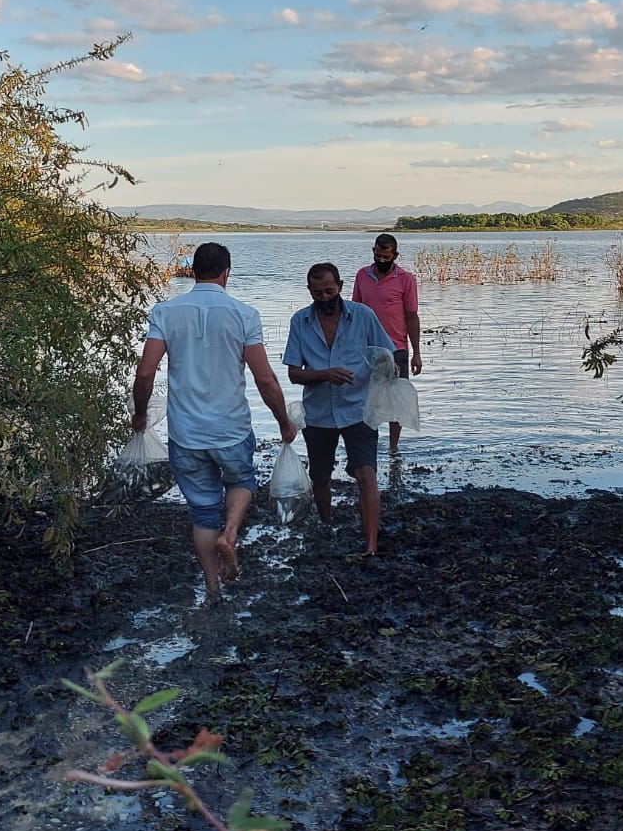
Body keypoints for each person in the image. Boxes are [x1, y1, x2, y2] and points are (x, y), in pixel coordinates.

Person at [132, 242, 297, 603]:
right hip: (231, 429)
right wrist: (283, 420)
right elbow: (265, 379)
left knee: (203, 511)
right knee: (241, 480)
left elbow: (146, 373)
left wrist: (141, 414)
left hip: (186, 434)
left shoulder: (165, 311)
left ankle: (211, 590)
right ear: (226, 272)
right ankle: (232, 532)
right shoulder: (244, 314)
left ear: (193, 271)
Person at [283, 262, 393, 556]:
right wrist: (323, 374)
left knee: (367, 475)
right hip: (319, 414)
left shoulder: (363, 316)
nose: (324, 298)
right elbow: (294, 373)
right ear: (309, 291)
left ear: (341, 287)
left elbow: (386, 356)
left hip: (360, 410)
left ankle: (371, 545)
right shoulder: (299, 322)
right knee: (320, 476)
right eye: (317, 293)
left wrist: (388, 376)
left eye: (329, 291)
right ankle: (327, 523)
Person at [351, 232, 422, 453]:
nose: (381, 261)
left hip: (396, 349)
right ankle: (366, 445)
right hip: (367, 350)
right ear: (373, 252)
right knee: (363, 398)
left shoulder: (406, 279)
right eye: (378, 256)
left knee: (396, 401)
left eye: (386, 257)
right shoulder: (362, 275)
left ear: (395, 255)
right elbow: (355, 312)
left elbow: (411, 316)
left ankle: (393, 449)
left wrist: (416, 353)